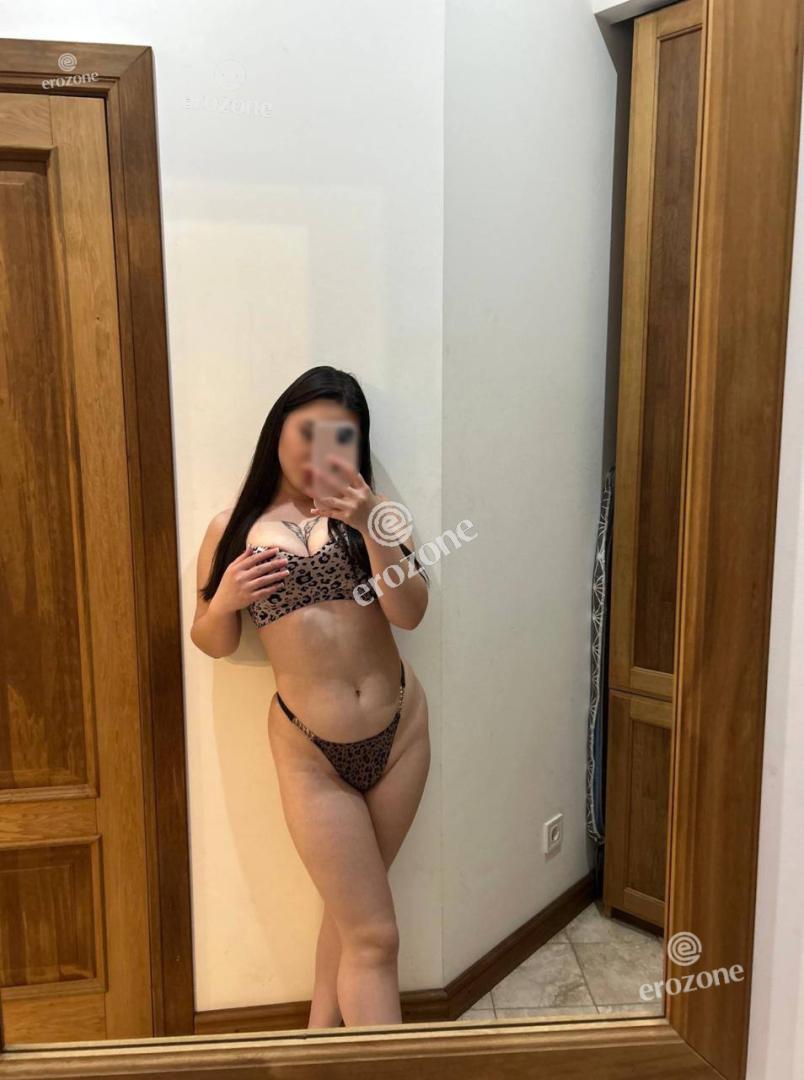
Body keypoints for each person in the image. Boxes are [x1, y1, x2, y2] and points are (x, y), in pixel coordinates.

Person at [191, 365, 431, 1029]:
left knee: (355, 918)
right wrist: (226, 600)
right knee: (374, 933)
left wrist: (373, 525)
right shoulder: (231, 528)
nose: (318, 451)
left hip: (401, 732)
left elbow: (411, 614)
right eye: (307, 431)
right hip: (310, 752)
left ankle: (319, 1040)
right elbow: (210, 640)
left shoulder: (376, 516)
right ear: (279, 429)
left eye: (340, 437)